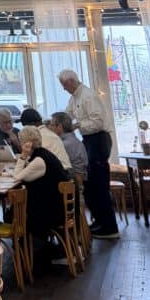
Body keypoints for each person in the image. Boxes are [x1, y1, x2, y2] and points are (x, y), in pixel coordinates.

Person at [58, 69, 119, 239]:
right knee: (90, 185)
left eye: (64, 85)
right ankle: (100, 222)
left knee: (98, 184)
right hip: (90, 141)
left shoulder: (88, 96)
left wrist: (77, 126)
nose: (63, 89)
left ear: (70, 81)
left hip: (98, 140)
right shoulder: (75, 98)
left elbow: (97, 122)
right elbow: (67, 115)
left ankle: (109, 227)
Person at [12, 126, 66, 246]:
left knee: (13, 213)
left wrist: (23, 156)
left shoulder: (39, 160)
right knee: (14, 211)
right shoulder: (43, 154)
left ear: (26, 143)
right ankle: (26, 247)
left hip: (52, 212)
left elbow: (16, 177)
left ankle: (26, 249)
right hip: (59, 205)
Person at [19, 107, 71, 173]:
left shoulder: (38, 136)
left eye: (25, 126)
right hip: (63, 172)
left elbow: (36, 161)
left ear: (31, 124)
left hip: (57, 175)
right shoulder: (47, 132)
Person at [50, 111, 88, 178]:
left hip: (72, 182)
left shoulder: (64, 144)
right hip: (79, 179)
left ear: (60, 127)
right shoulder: (75, 140)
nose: (50, 128)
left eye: (52, 125)